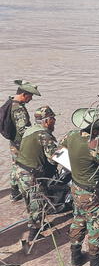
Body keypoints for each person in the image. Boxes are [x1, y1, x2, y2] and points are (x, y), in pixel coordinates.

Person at [59, 108, 99, 266]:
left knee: (78, 220)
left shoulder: (71, 135)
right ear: (96, 130)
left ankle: (75, 257)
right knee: (96, 225)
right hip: (92, 193)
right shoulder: (95, 146)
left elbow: (57, 151)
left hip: (76, 187)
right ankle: (96, 265)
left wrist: (74, 164)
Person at [15, 106, 58, 247]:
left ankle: (35, 224)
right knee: (38, 204)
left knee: (30, 202)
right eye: (52, 118)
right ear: (46, 121)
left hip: (20, 171)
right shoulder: (44, 135)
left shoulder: (30, 130)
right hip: (31, 175)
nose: (55, 121)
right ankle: (34, 234)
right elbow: (53, 157)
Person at [5, 80, 40, 201]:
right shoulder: (18, 109)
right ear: (24, 94)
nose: (31, 99)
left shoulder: (11, 101)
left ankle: (14, 192)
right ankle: (21, 192)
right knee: (23, 167)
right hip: (20, 143)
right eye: (30, 96)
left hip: (14, 141)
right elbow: (23, 130)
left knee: (16, 166)